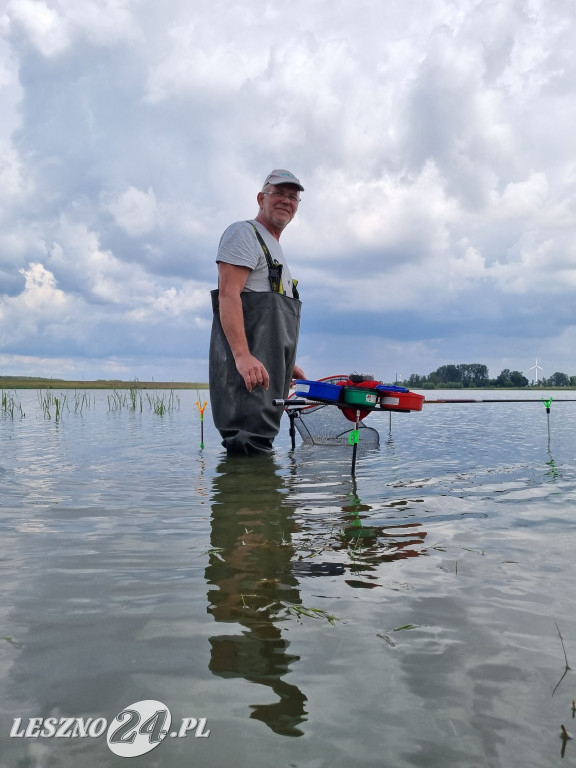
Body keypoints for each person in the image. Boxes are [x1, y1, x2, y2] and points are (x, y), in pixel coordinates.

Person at [209, 169, 306, 454]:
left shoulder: (274, 247)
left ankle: (256, 497)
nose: (286, 201)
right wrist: (242, 355)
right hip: (245, 379)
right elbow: (228, 295)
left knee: (259, 445)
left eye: (293, 196)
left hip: (266, 378)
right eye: (278, 193)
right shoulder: (244, 234)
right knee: (247, 445)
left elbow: (272, 322)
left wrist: (285, 364)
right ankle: (244, 496)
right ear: (261, 198)